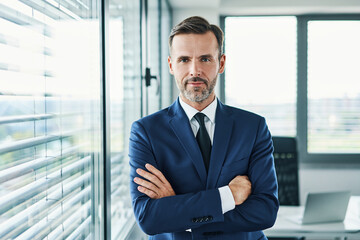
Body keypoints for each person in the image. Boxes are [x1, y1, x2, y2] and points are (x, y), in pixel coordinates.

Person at [129, 16, 279, 240]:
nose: (194, 70)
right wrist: (228, 196)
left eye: (205, 59)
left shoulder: (253, 127)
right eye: (184, 60)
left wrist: (179, 213)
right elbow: (149, 218)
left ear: (221, 63)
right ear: (171, 65)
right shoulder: (146, 132)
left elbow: (265, 211)